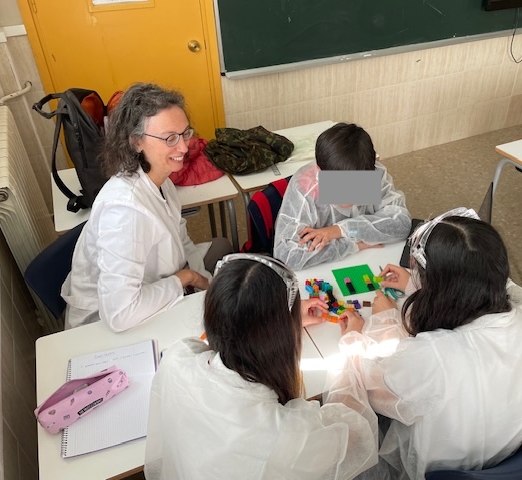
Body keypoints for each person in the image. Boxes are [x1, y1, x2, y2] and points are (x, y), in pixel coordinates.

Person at [324, 208, 522, 480]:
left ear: (440, 289)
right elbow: (476, 281)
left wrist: (368, 330)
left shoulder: (435, 356)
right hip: (505, 442)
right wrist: (415, 284)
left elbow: (375, 386)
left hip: (444, 462)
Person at [144, 253, 378, 480]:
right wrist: (352, 347)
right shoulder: (285, 435)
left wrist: (276, 323)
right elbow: (355, 435)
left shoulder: (176, 358)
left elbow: (219, 335)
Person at [61, 83, 234, 332]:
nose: (184, 147)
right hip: (106, 326)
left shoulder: (159, 178)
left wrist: (206, 285)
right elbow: (120, 314)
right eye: (170, 138)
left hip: (153, 284)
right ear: (136, 142)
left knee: (221, 252)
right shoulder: (123, 211)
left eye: (185, 133)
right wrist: (187, 278)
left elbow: (181, 238)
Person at [274, 122, 412, 270]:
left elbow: (401, 224)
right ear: (320, 171)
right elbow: (287, 255)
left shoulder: (370, 174)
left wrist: (340, 230)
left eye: (358, 185)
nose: (350, 194)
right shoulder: (306, 191)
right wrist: (353, 244)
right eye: (341, 184)